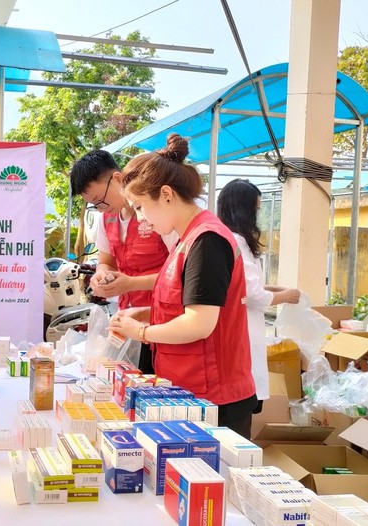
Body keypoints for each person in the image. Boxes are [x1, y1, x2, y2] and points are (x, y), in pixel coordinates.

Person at [108, 133, 258, 438]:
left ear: (166, 194)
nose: (142, 220)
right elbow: (186, 303)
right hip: (191, 391)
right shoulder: (186, 240)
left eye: (139, 207)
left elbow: (200, 323)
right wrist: (146, 313)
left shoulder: (207, 241)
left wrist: (143, 333)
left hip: (214, 398)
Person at [70, 150, 177, 373]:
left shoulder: (157, 214)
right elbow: (106, 260)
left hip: (163, 321)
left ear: (117, 179)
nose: (101, 208)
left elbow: (181, 274)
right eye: (93, 205)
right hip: (127, 321)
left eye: (100, 200)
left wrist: (131, 283)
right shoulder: (106, 218)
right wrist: (102, 275)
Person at [217, 179, 300, 411]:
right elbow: (252, 294)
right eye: (256, 209)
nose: (257, 216)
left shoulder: (232, 240)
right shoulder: (235, 243)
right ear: (243, 210)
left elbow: (247, 284)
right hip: (242, 331)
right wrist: (287, 296)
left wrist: (275, 289)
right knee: (244, 401)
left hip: (242, 331)